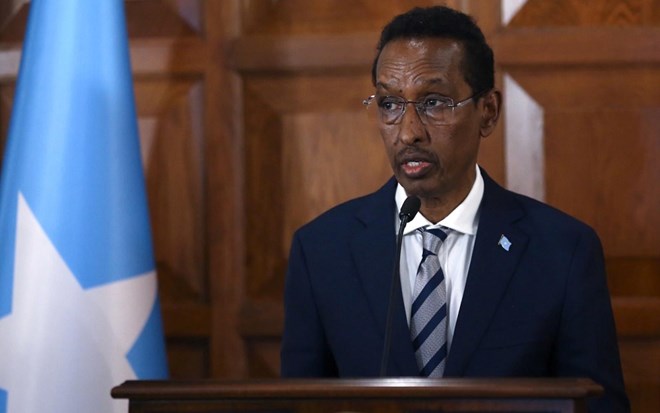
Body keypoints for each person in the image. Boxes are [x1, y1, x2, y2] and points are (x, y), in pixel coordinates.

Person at [280, 5, 629, 412]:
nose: (408, 132)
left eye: (433, 102)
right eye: (390, 103)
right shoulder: (321, 251)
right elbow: (298, 406)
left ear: (488, 112)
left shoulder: (563, 251)